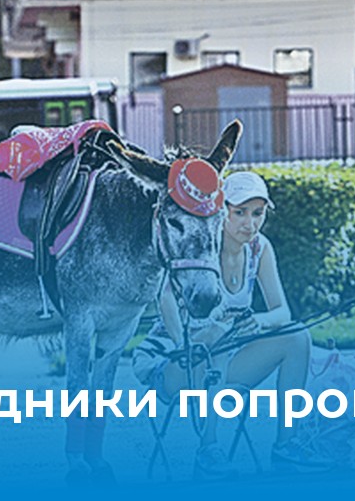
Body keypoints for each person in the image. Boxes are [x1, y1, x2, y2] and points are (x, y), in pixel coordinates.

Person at [133, 171, 317, 477]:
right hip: (174, 365)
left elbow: (281, 312)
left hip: (224, 364)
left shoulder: (259, 249)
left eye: (257, 214)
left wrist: (258, 321)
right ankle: (208, 449)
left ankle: (286, 444)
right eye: (240, 212)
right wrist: (184, 344)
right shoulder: (200, 246)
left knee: (297, 336)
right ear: (222, 211)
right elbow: (164, 297)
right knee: (217, 334)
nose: (250, 223)